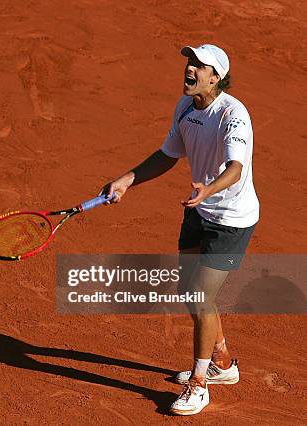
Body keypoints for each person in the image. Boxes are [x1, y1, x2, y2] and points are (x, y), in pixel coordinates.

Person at [100, 44, 259, 415]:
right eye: (189, 63)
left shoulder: (234, 115)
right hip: (199, 209)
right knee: (190, 291)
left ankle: (200, 384)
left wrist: (210, 187)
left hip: (231, 218)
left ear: (215, 77)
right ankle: (221, 363)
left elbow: (236, 168)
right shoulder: (185, 107)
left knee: (201, 296)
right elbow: (168, 154)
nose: (189, 69)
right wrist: (126, 180)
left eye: (199, 66)